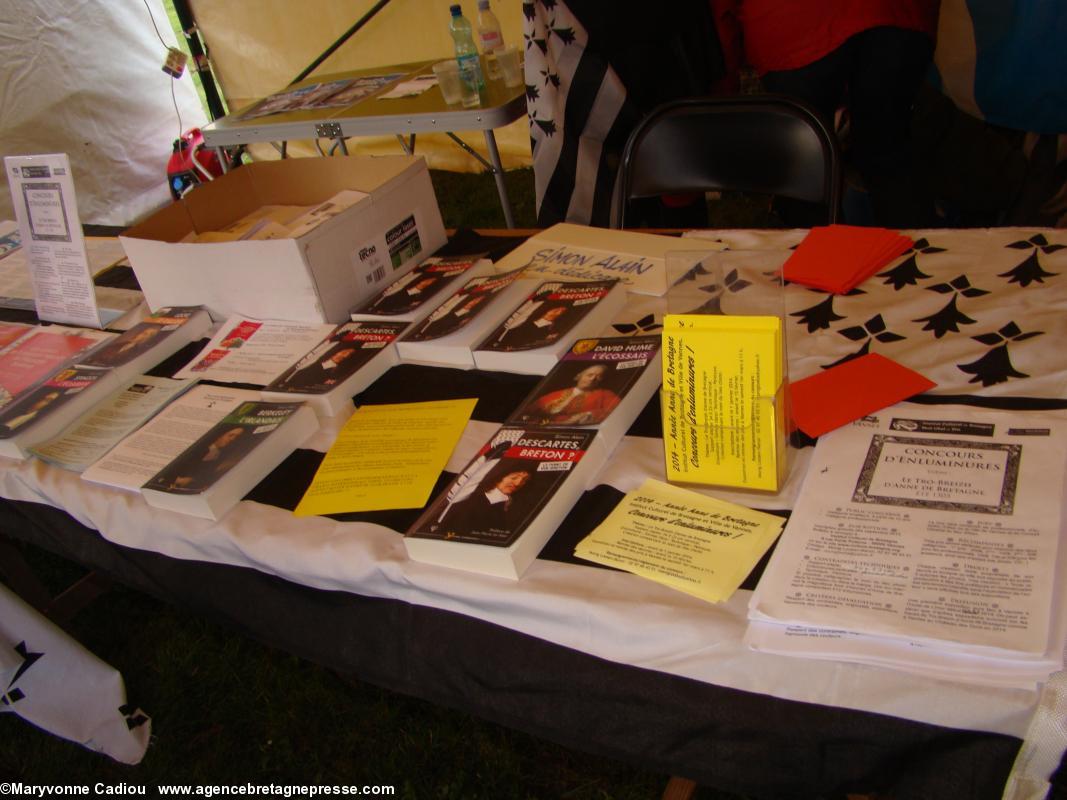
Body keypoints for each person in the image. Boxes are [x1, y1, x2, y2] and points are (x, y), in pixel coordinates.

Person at [730, 0, 941, 228]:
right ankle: (918, 258)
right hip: (897, 13)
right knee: (890, 153)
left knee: (807, 166)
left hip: (793, 22)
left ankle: (824, 260)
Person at [149, 425, 249, 493]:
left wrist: (195, 480)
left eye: (237, 437)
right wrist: (174, 479)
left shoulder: (222, 456)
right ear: (220, 435)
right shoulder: (197, 447)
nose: (232, 439)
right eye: (230, 435)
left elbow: (207, 474)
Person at [436, 467, 532, 537]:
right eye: (514, 477)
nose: (518, 483)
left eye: (524, 481)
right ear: (501, 475)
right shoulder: (470, 498)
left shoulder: (512, 506)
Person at [528, 364, 620, 425]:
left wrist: (589, 414)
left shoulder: (606, 394)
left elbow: (616, 411)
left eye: (599, 377)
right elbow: (527, 412)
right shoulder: (555, 394)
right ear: (579, 376)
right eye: (589, 375)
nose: (592, 379)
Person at [278, 345, 360, 391]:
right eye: (345, 352)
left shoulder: (336, 371)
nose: (345, 355)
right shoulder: (317, 361)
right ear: (337, 351)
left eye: (349, 355)